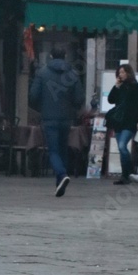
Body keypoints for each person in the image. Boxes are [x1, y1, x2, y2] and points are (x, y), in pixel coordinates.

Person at [29, 45, 84, 196]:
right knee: (62, 149)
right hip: (66, 118)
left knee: (53, 151)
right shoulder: (73, 74)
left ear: (51, 56)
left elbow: (33, 96)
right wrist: (72, 107)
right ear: (65, 56)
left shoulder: (42, 73)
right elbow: (79, 98)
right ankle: (60, 183)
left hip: (49, 117)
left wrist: (42, 107)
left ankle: (61, 174)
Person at [107, 64, 138, 185]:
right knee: (121, 148)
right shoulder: (120, 87)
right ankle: (126, 175)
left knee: (123, 146)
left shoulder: (136, 87)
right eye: (119, 72)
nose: (121, 74)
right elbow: (111, 100)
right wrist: (116, 86)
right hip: (119, 121)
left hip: (130, 121)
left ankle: (129, 173)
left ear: (129, 73)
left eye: (123, 72)